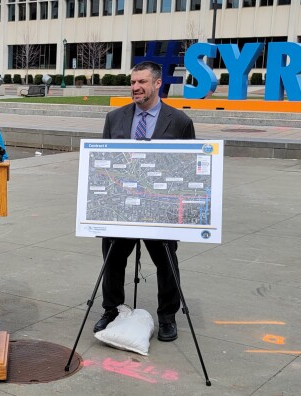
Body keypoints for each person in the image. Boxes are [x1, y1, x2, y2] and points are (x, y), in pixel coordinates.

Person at [93, 61, 196, 342]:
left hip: (159, 209)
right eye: (133, 82)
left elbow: (188, 168)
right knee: (113, 261)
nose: (136, 87)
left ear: (157, 84)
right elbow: (104, 163)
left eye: (142, 82)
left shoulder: (179, 121)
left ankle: (167, 317)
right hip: (122, 208)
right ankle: (112, 309)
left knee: (166, 263)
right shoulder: (115, 118)